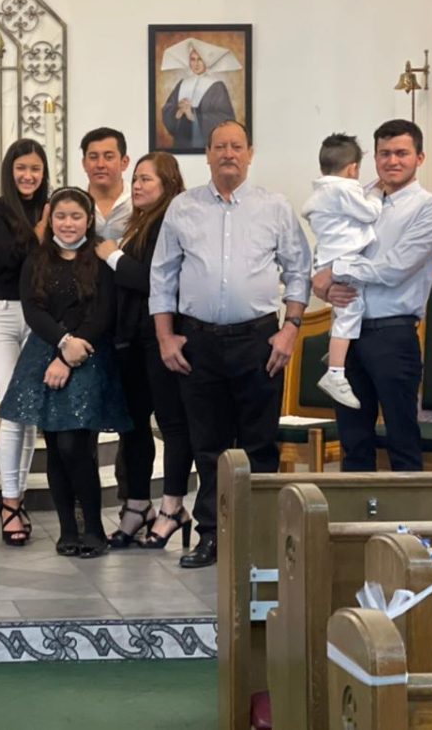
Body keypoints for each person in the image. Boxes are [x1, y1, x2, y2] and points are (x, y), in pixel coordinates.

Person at [151, 120, 311, 569]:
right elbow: (162, 276)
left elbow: (299, 270)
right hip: (198, 342)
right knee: (209, 447)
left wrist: (291, 329)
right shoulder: (183, 208)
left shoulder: (274, 207)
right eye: (219, 146)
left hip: (258, 341)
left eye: (236, 146)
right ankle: (212, 535)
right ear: (207, 154)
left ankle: (259, 540)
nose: (228, 154)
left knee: (260, 445)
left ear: (250, 153)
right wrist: (165, 337)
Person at [0, 186, 132, 558]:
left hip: (89, 353)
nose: (68, 223)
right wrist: (61, 343)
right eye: (61, 216)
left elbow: (103, 311)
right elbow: (33, 310)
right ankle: (68, 530)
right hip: (46, 353)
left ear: (88, 220)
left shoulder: (99, 257)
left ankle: (94, 529)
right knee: (56, 447)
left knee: (76, 445)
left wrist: (73, 350)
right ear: (50, 219)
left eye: (76, 216)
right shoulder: (37, 259)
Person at [312, 119, 432, 472]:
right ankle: (357, 511)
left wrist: (337, 270)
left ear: (420, 158)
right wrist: (324, 284)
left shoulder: (430, 209)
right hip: (348, 332)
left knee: (402, 440)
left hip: (393, 333)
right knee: (354, 443)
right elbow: (327, 250)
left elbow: (394, 269)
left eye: (402, 153)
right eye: (384, 153)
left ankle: (407, 511)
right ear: (373, 158)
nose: (392, 161)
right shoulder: (355, 197)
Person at [96, 152, 194, 551]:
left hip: (160, 337)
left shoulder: (171, 222)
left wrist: (112, 256)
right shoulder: (138, 223)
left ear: (168, 184)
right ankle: (138, 505)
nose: (136, 186)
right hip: (131, 339)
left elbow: (154, 280)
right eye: (135, 179)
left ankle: (173, 506)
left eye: (146, 179)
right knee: (133, 426)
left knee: (171, 424)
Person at [0, 139, 50, 544]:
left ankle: (17, 499)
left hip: (39, 315)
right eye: (21, 168)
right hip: (1, 313)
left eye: (35, 168)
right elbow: (8, 259)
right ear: (9, 170)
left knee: (29, 413)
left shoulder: (51, 207)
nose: (28, 175)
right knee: (12, 407)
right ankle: (7, 503)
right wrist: (40, 236)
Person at [301, 134, 383, 411]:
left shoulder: (321, 193)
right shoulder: (344, 190)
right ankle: (335, 372)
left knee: (342, 310)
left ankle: (335, 353)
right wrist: (376, 194)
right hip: (344, 259)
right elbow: (369, 212)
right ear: (353, 169)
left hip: (328, 257)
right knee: (350, 310)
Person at [159, 40, 239, 152]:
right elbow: (167, 108)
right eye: (193, 59)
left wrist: (193, 114)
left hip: (204, 143)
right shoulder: (182, 83)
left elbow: (225, 118)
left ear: (207, 61)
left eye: (200, 59)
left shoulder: (216, 86)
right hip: (181, 142)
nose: (196, 64)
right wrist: (178, 112)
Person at [81, 127, 131, 242]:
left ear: (124, 162)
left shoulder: (139, 203)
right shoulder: (75, 203)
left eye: (109, 157)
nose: (100, 165)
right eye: (93, 157)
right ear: (84, 163)